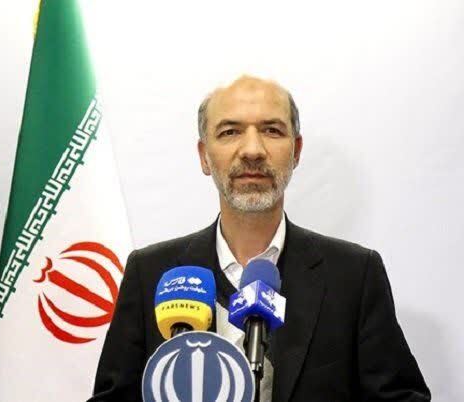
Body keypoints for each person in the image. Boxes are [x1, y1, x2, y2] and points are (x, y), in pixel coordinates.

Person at [89, 76, 430, 401]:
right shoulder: (150, 273)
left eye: (271, 130)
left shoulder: (354, 275)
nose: (252, 150)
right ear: (204, 155)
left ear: (296, 151)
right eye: (230, 132)